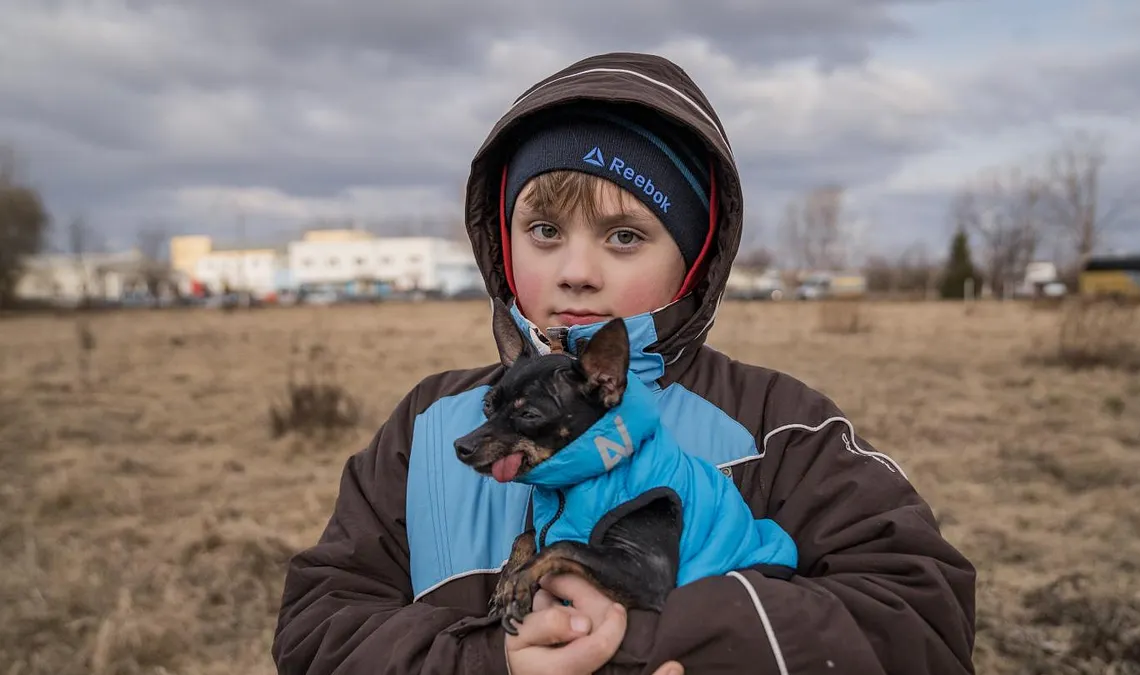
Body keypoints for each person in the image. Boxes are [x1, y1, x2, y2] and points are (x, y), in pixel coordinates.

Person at [271, 51, 977, 675]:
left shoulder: (782, 429)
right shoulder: (428, 426)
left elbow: (923, 618)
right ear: (503, 242)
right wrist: (487, 660)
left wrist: (657, 644)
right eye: (544, 230)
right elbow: (316, 629)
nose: (577, 270)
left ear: (694, 261)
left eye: (625, 235)